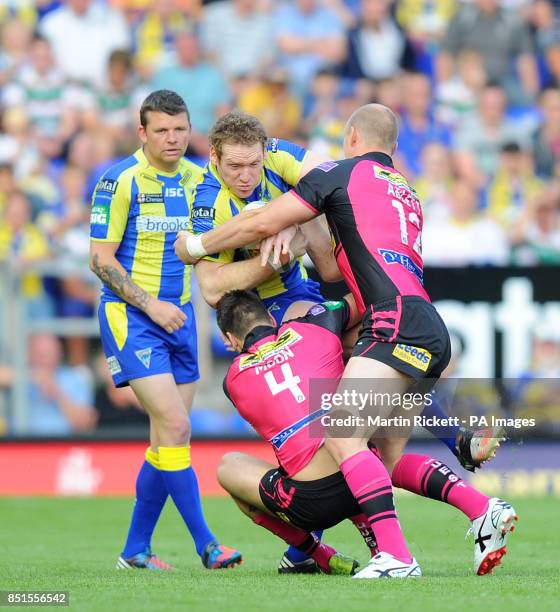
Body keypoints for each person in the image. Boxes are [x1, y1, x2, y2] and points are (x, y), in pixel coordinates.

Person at [173, 103, 499, 578]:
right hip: (265, 310)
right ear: (214, 161)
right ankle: (452, 465)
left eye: (254, 164)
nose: (246, 175)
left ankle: (378, 547)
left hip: (303, 300)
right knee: (365, 428)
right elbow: (211, 288)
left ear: (267, 152)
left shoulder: (285, 158)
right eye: (234, 167)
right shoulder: (204, 200)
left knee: (361, 395)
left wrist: (289, 224)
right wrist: (275, 258)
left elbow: (326, 244)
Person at [215, 290, 518, 577]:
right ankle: (478, 500)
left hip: (311, 502)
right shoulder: (315, 328)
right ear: (271, 317)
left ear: (229, 340)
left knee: (229, 466)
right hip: (363, 467)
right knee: (382, 450)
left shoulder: (233, 380)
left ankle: (325, 555)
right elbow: (364, 300)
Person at [89, 89, 241, 571]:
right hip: (132, 316)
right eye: (162, 131)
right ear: (143, 132)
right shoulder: (120, 181)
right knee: (176, 426)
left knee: (166, 440)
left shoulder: (201, 179)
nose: (173, 139)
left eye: (180, 129)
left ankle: (135, 550)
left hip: (179, 321)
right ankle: (207, 544)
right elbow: (99, 258)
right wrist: (150, 305)